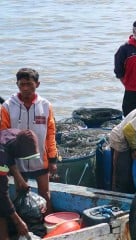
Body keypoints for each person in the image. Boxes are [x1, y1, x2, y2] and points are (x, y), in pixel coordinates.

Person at [1, 68, 57, 215]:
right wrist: (8, 164)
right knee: (21, 194)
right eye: (22, 85)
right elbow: (3, 137)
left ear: (37, 84)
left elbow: (50, 134)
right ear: (17, 84)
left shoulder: (45, 105)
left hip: (40, 159)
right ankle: (25, 225)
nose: (25, 88)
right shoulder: (7, 106)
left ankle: (48, 224)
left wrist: (53, 159)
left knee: (45, 194)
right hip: (17, 161)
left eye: (29, 85)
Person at [0, 129, 36, 240]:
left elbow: (10, 155)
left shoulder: (17, 136)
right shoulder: (1, 157)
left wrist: (21, 182)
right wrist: (18, 222)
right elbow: (2, 194)